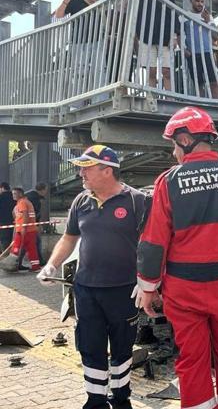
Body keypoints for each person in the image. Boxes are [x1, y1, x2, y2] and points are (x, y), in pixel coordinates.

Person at [134, 106, 218, 409]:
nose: (173, 153)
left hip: (184, 289)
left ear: (185, 139)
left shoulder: (169, 182)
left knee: (192, 361)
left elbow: (153, 243)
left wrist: (148, 288)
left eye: (174, 144)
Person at [36, 145, 147, 409]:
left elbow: (152, 243)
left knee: (121, 348)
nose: (81, 174)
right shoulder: (81, 201)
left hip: (123, 289)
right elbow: (69, 237)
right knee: (90, 346)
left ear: (107, 171)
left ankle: (121, 399)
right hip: (86, 289)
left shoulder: (137, 201)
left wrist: (148, 280)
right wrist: (51, 265)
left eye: (86, 169)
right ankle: (95, 401)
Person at [182, 0, 218, 99]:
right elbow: (180, 34)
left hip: (207, 53)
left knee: (214, 82)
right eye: (197, 1)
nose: (200, 4)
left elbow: (216, 36)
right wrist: (184, 49)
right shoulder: (184, 16)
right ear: (191, 1)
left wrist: (208, 22)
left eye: (202, 1)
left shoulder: (208, 17)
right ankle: (202, 107)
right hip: (193, 54)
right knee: (198, 84)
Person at [136, 0, 178, 91]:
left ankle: (170, 99)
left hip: (165, 38)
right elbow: (135, 15)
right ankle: (152, 100)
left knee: (167, 71)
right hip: (146, 38)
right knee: (151, 71)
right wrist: (137, 34)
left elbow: (174, 15)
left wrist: (174, 36)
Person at [19, 183, 48, 266]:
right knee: (34, 242)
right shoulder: (35, 199)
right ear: (42, 190)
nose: (46, 191)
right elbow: (34, 214)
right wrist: (37, 225)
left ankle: (19, 262)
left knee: (28, 243)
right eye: (45, 189)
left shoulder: (28, 195)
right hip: (30, 225)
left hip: (24, 224)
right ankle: (38, 261)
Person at [11, 188, 40, 271]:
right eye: (13, 194)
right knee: (31, 248)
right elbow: (18, 214)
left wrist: (23, 227)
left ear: (20, 194)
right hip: (30, 230)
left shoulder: (22, 202)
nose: (13, 196)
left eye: (15, 194)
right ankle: (35, 266)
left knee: (16, 248)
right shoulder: (25, 202)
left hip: (23, 230)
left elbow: (25, 214)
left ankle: (12, 265)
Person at [0, 183, 15, 250]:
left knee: (4, 240)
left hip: (3, 222)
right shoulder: (14, 197)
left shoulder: (1, 197)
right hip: (14, 221)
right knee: (12, 239)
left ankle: (5, 255)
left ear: (2, 188)